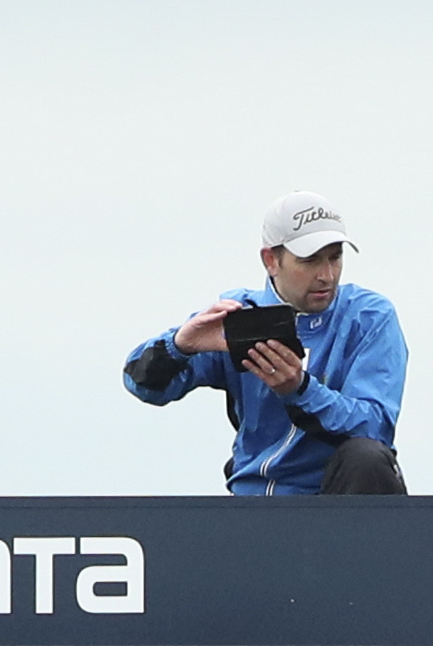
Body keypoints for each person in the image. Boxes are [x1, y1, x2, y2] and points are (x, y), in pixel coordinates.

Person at [118, 194, 406, 496]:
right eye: (310, 260)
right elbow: (141, 385)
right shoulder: (239, 314)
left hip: (343, 497)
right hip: (257, 502)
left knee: (366, 457)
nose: (327, 275)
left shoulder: (370, 316)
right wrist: (179, 346)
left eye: (335, 257)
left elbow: (376, 428)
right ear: (271, 260)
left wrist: (301, 390)